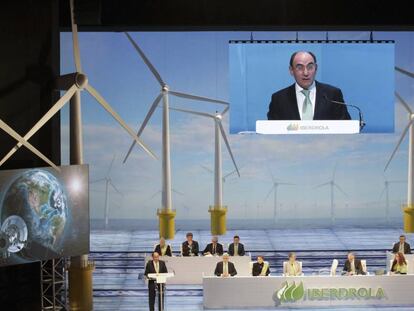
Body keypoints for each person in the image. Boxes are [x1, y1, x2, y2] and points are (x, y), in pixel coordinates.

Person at [267, 51, 351, 121]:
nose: (306, 73)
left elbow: (345, 127)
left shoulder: (332, 95)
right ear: (291, 70)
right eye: (300, 68)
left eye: (310, 67)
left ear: (316, 68)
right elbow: (272, 133)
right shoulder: (279, 99)